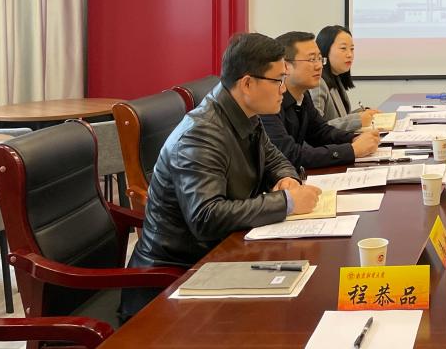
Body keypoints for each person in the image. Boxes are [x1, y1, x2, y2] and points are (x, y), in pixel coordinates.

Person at [121, 32, 321, 319]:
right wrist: (287, 202)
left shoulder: (244, 112)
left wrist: (285, 178)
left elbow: (275, 158)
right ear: (247, 84)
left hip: (221, 255)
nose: (283, 89)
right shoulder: (200, 135)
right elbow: (206, 217)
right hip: (173, 281)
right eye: (278, 80)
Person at [261, 31, 380, 169]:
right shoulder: (268, 103)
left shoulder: (303, 95)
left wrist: (353, 138)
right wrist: (352, 150)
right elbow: (290, 155)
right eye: (312, 60)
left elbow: (320, 132)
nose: (319, 66)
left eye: (319, 59)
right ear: (286, 66)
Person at [310, 24, 380, 132]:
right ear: (325, 50)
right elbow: (316, 129)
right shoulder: (318, 83)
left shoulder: (336, 78)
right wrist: (358, 119)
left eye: (352, 49)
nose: (350, 54)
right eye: (343, 48)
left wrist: (361, 113)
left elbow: (340, 117)